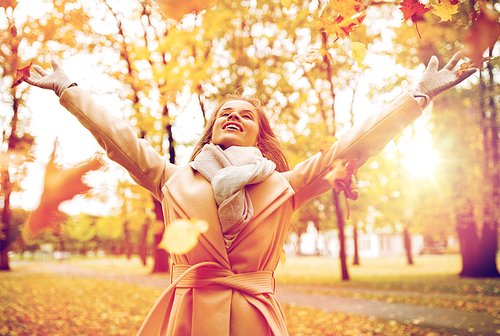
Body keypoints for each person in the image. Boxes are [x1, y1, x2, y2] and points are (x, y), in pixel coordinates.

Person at [25, 52, 476, 336]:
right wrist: (69, 90)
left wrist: (415, 97)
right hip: (186, 316)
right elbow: (118, 138)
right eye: (225, 113)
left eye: (245, 115)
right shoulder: (171, 178)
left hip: (254, 321)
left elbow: (354, 144)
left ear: (261, 136)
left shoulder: (287, 184)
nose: (234, 116)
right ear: (212, 127)